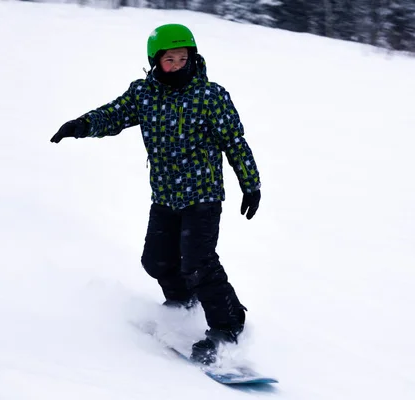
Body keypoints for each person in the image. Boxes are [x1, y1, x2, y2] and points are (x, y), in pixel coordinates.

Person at [50, 24, 261, 365]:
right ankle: (183, 303)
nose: (177, 64)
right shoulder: (144, 94)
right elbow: (114, 114)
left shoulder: (210, 96)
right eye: (169, 59)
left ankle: (228, 323)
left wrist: (250, 184)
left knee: (198, 262)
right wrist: (82, 125)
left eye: (183, 58)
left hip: (203, 195)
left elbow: (234, 142)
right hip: (164, 195)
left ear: (193, 58)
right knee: (157, 261)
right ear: (155, 62)